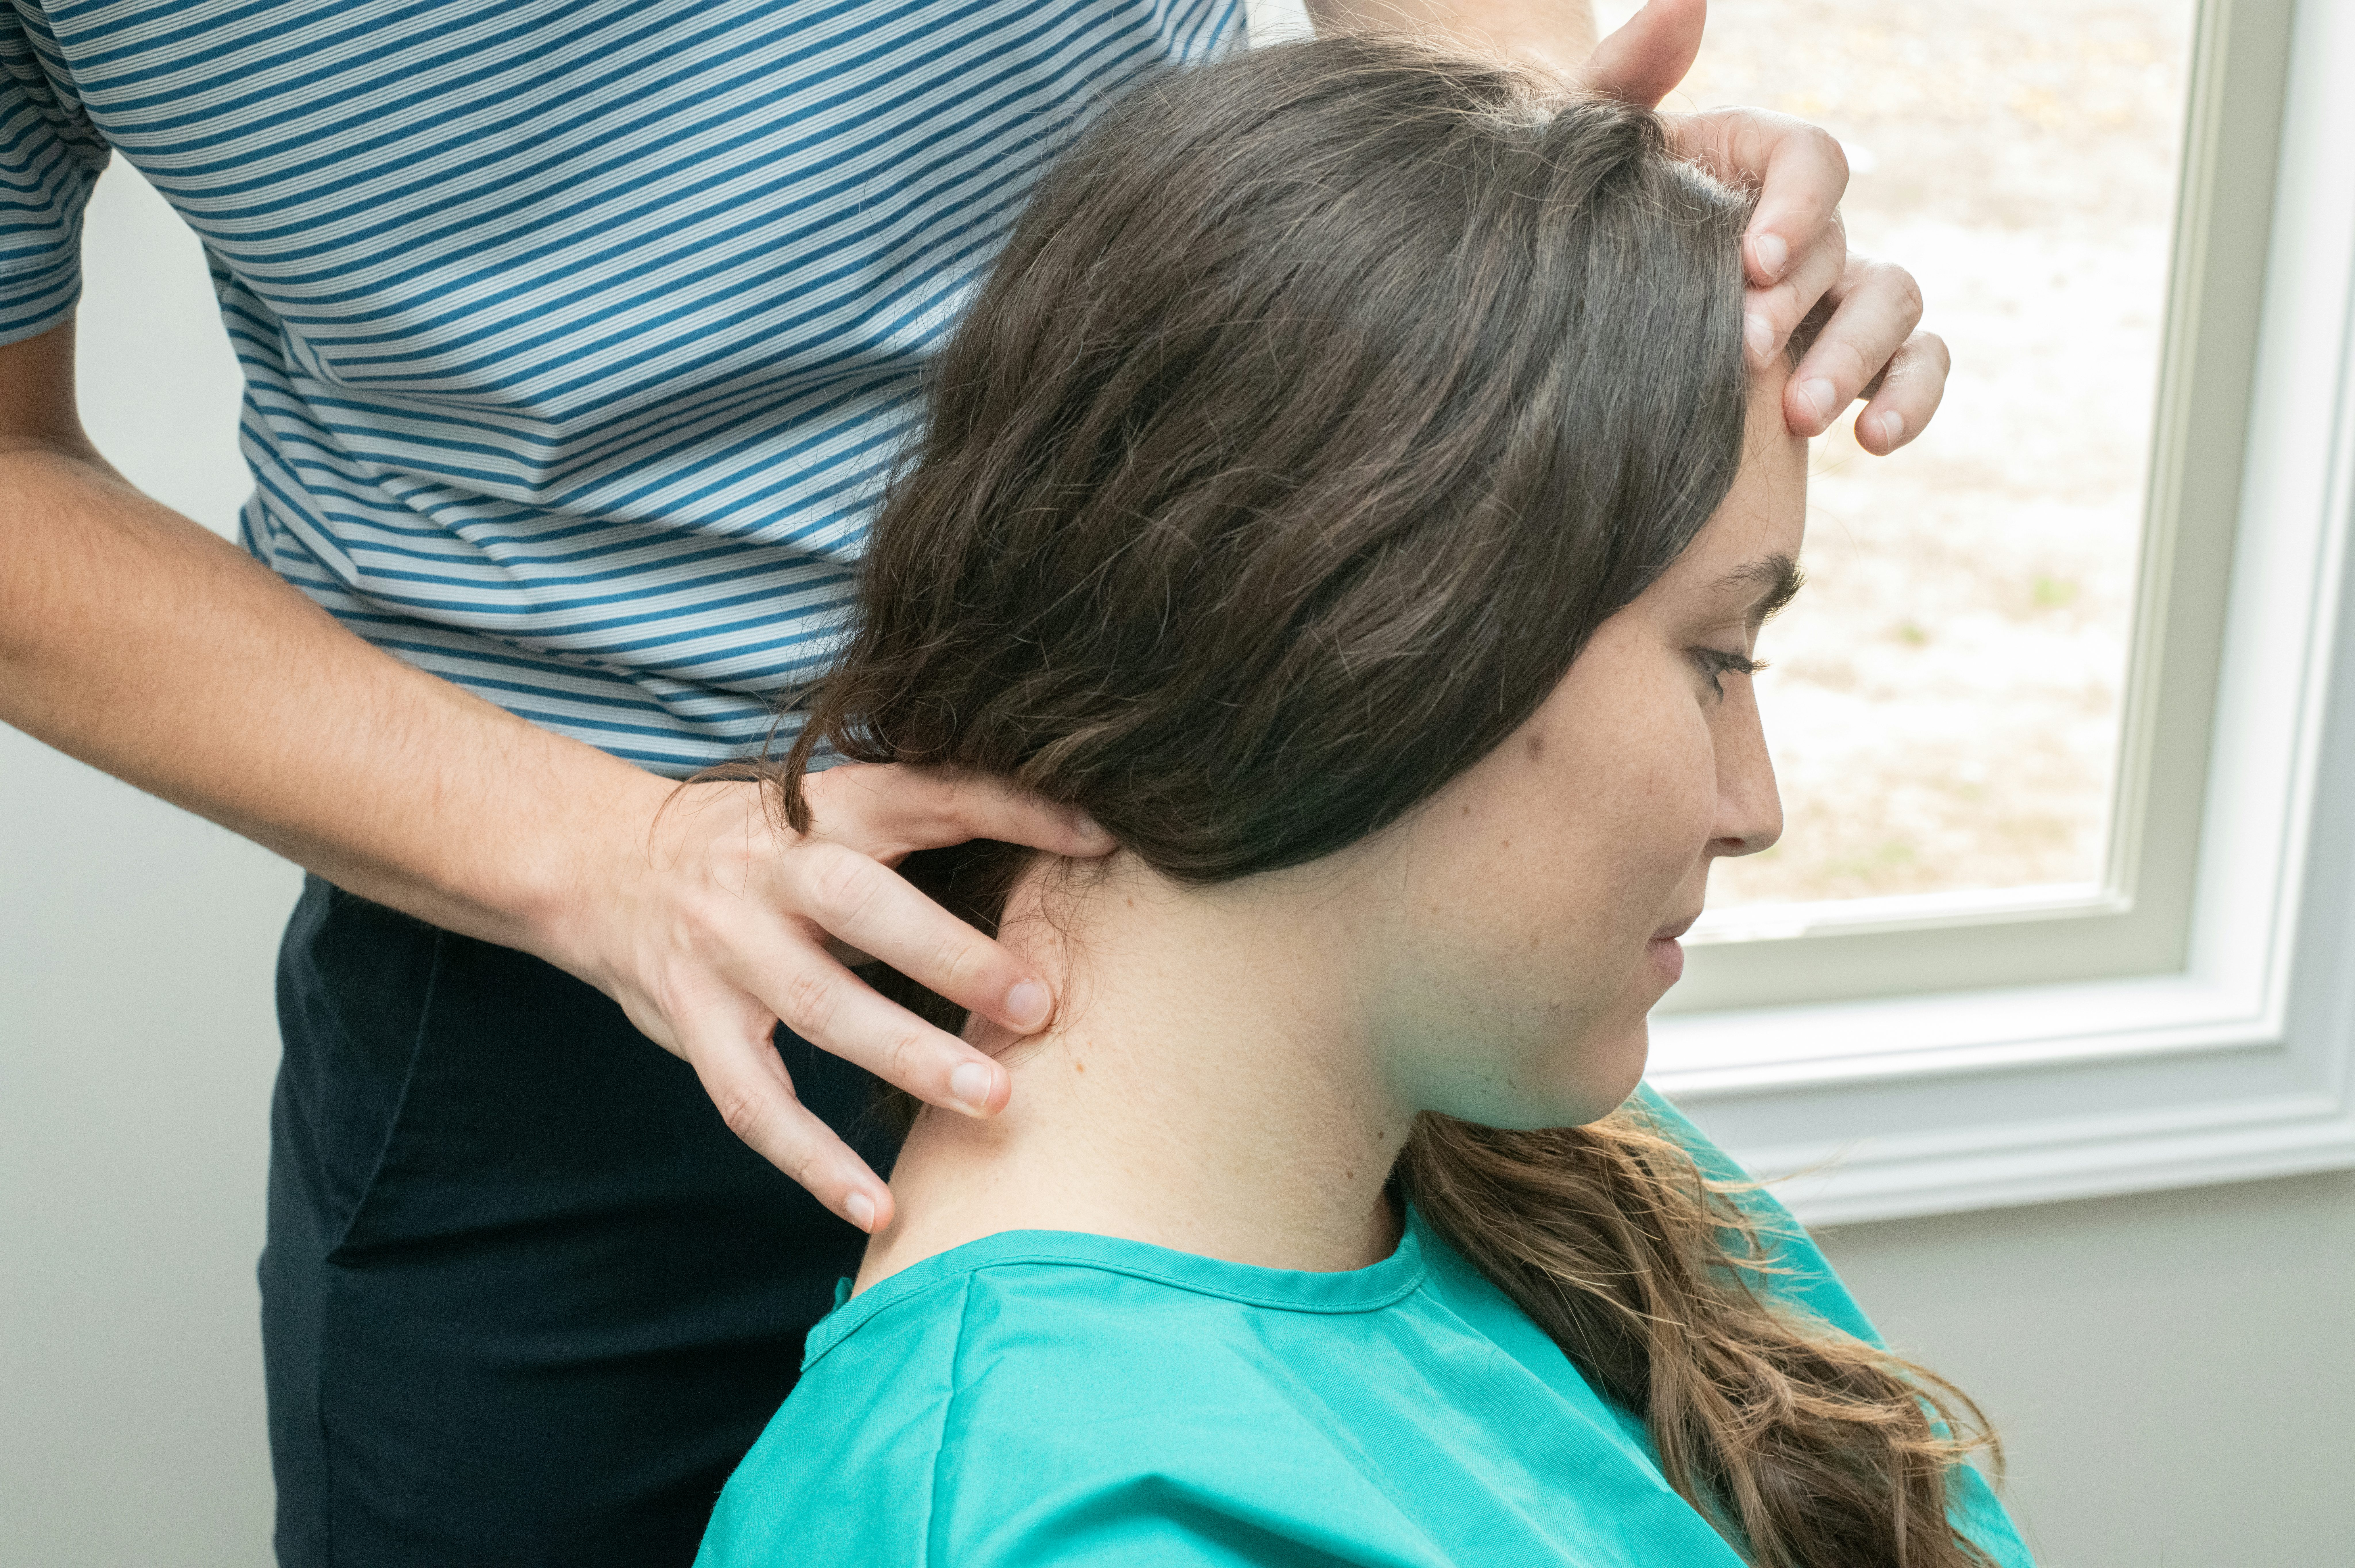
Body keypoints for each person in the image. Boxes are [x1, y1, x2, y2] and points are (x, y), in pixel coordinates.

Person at [0, 0, 1946, 1562]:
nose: (1751, 801)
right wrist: (599, 853)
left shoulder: (1594, 1147)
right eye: (1716, 659)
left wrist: (1563, 264)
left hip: (1268, 811)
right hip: (546, 907)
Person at [693, 35, 2022, 1568]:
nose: (1755, 803)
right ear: (1366, 636)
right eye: (1718, 656)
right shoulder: (1065, 1523)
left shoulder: (1576, 1186)